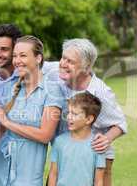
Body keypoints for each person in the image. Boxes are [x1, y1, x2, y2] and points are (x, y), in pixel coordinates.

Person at [0, 24, 58, 186]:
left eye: (22, 55)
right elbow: (0, 129)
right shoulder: (13, 87)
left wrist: (8, 122)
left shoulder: (52, 90)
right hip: (0, 169)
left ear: (38, 58)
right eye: (15, 56)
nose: (17, 61)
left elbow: (45, 135)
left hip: (27, 174)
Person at [46, 38, 127, 186]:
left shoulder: (100, 92)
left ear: (86, 67)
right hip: (65, 150)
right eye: (63, 58)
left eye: (70, 61)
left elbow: (120, 123)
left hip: (94, 156)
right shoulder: (55, 72)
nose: (63, 64)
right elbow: (31, 62)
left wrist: (107, 138)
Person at [48, 92, 105, 186]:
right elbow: (53, 174)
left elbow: (98, 181)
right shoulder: (59, 142)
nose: (69, 117)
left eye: (74, 114)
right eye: (69, 112)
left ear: (89, 119)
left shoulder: (97, 145)